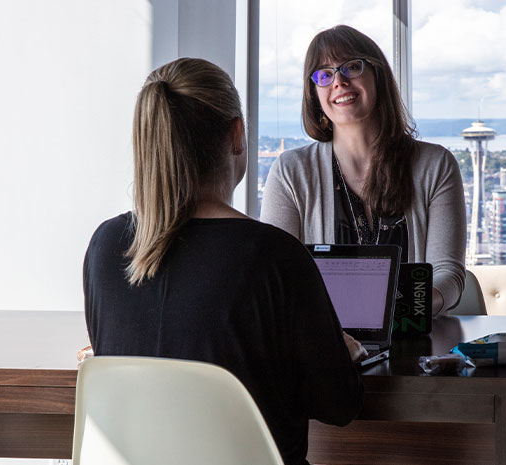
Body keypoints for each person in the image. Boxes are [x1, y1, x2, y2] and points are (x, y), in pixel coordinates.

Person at [83, 57, 363, 465]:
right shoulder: (274, 256)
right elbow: (339, 405)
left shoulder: (106, 246)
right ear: (237, 135)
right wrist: (345, 352)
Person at [261, 25, 466, 317]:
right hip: (328, 346)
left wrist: (407, 309)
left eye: (352, 67)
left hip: (417, 345)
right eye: (324, 74)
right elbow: (278, 276)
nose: (339, 81)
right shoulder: (290, 172)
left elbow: (449, 274)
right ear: (314, 95)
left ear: (378, 76)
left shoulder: (436, 166)